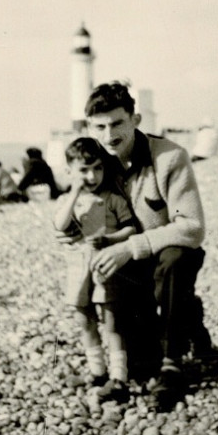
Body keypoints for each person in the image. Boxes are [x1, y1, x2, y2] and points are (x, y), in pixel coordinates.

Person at [82, 81, 211, 411]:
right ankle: (188, 318)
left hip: (170, 255)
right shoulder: (95, 166)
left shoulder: (169, 158)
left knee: (174, 261)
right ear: (89, 127)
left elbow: (192, 227)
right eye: (99, 126)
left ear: (135, 120)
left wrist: (130, 247)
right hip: (132, 266)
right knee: (140, 366)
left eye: (117, 123)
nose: (109, 135)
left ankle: (172, 367)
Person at [52, 137, 137, 404]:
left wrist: (111, 239)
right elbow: (60, 224)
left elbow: (130, 228)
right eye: (84, 170)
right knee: (84, 320)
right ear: (70, 172)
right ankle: (98, 372)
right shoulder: (69, 200)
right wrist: (74, 191)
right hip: (78, 268)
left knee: (112, 322)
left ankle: (119, 378)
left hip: (105, 265)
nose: (92, 176)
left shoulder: (112, 199)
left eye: (97, 168)